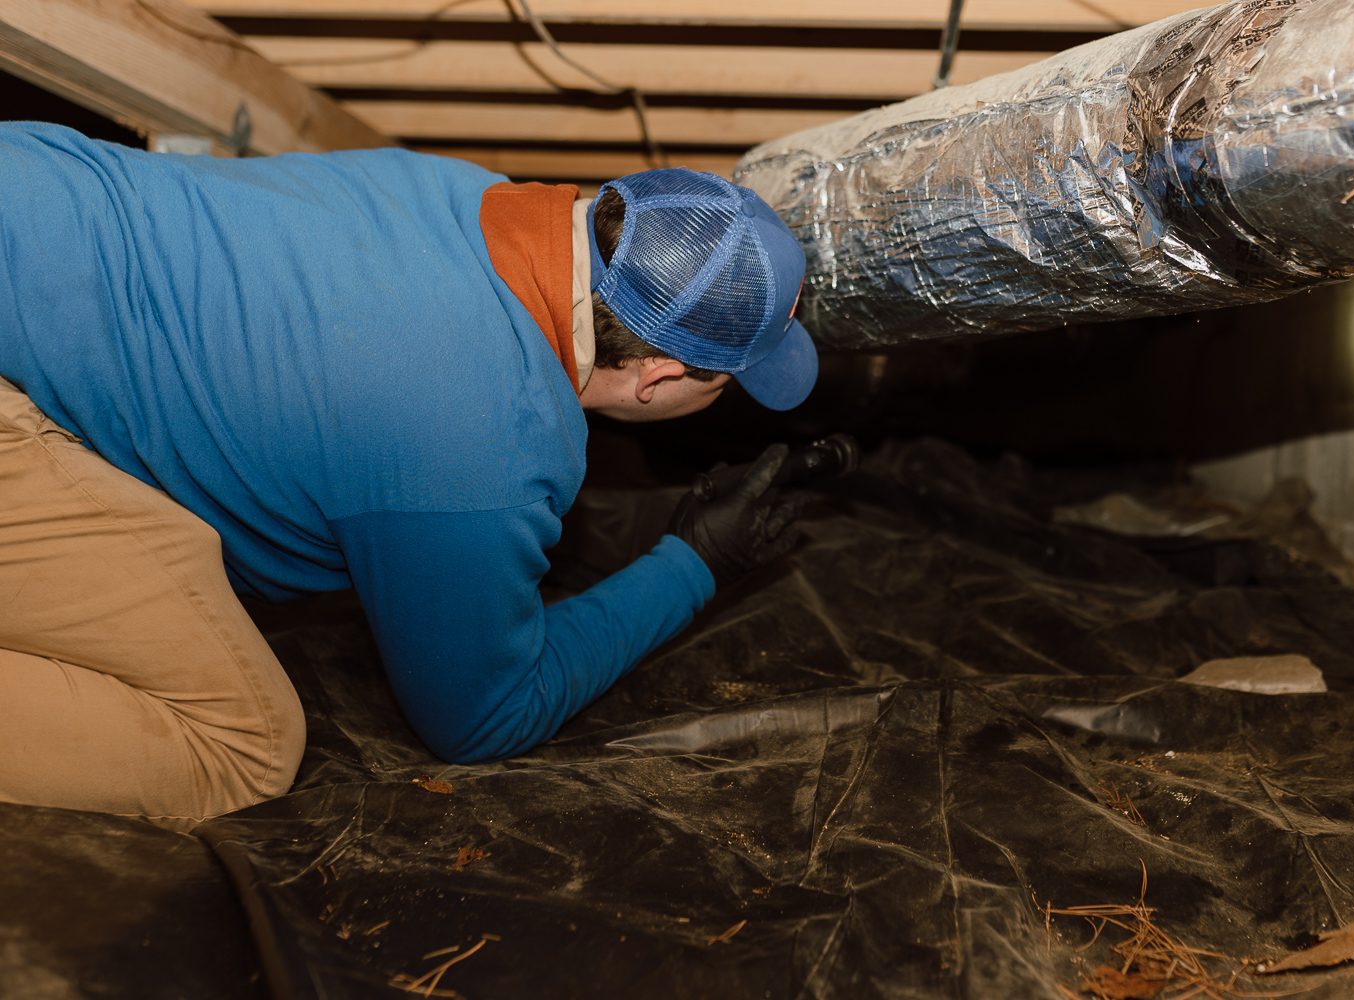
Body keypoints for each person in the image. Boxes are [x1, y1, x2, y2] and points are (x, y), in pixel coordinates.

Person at [0, 122, 817, 823]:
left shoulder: (454, 190)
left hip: (30, 182)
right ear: (659, 378)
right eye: (728, 384)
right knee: (244, 745)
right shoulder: (485, 440)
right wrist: (693, 566)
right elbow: (486, 717)